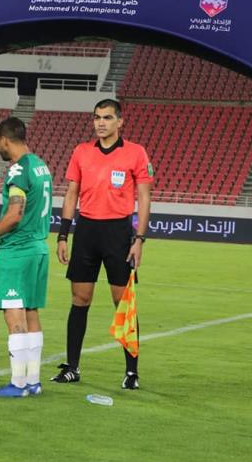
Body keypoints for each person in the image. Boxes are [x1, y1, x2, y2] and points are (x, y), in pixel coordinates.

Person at [52, 98, 152, 389]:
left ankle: (131, 372)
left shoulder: (135, 152)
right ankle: (72, 367)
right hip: (86, 231)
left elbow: (144, 197)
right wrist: (63, 235)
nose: (101, 123)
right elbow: (72, 193)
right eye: (97, 117)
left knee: (123, 303)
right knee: (79, 299)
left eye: (107, 117)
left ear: (120, 122)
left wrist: (139, 239)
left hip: (118, 233)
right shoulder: (81, 151)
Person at [0, 117, 52, 397]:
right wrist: (1, 237)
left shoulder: (18, 170)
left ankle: (18, 384)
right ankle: (33, 381)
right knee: (31, 312)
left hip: (19, 252)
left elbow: (15, 214)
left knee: (14, 313)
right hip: (38, 248)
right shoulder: (40, 165)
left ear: (4, 140)